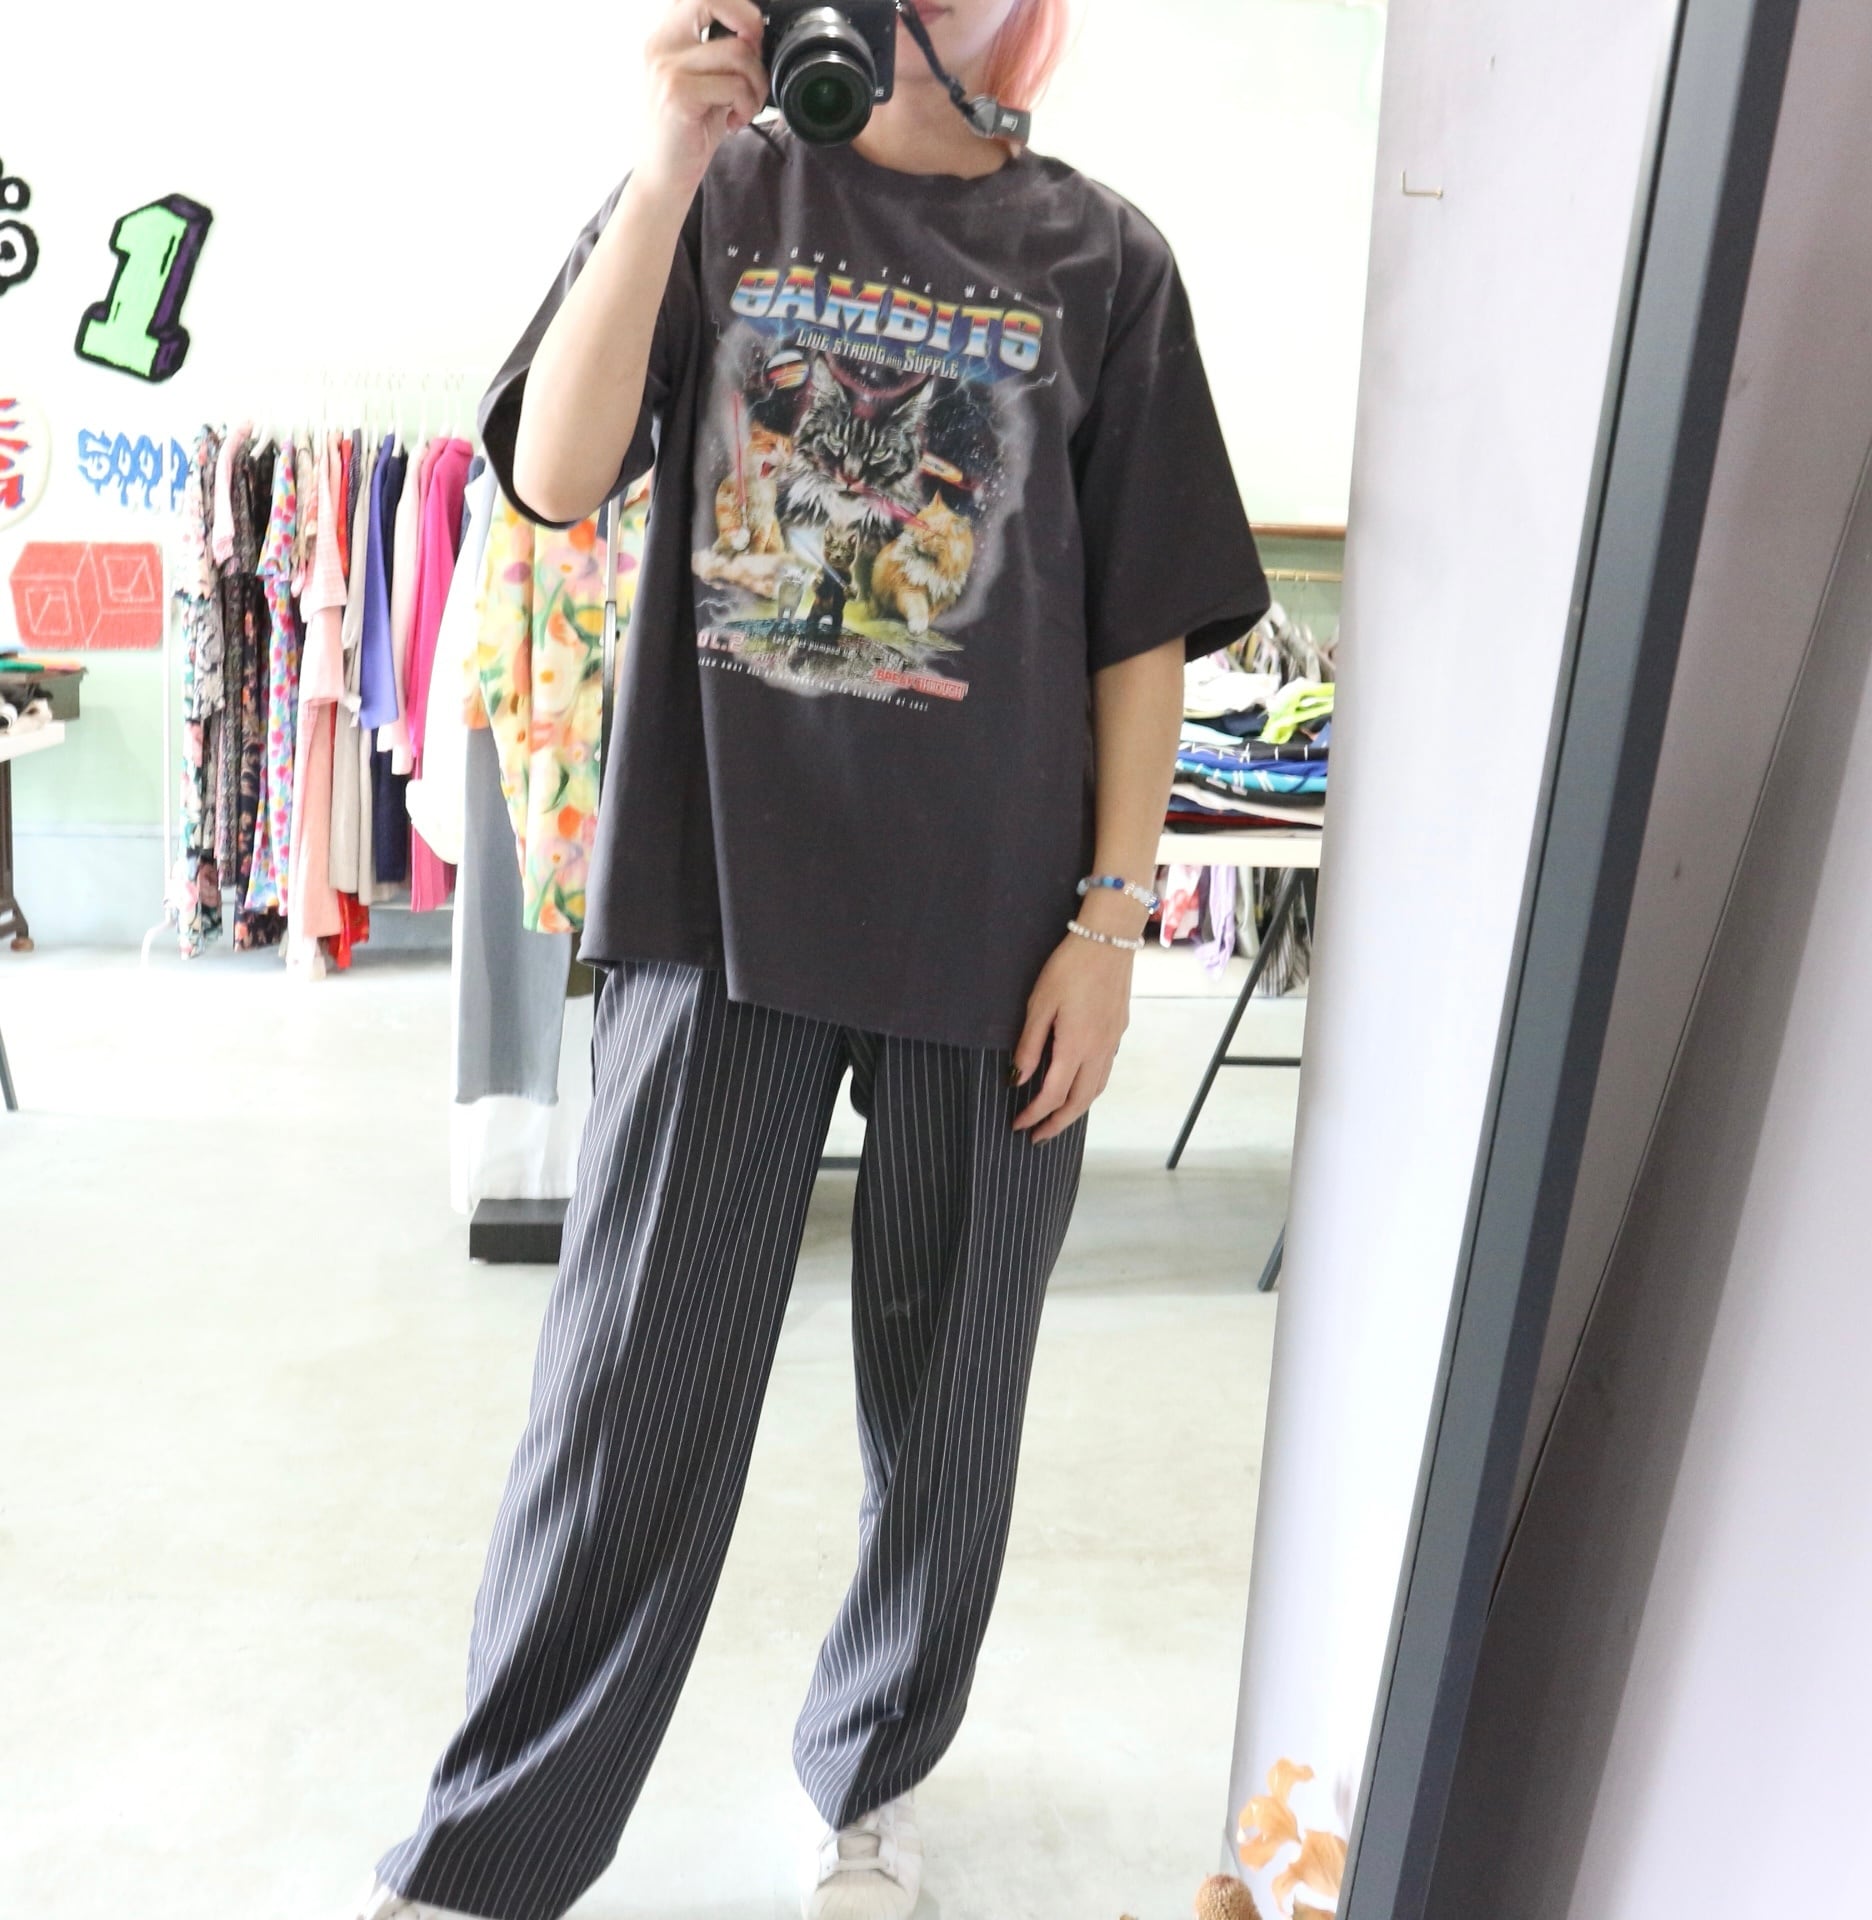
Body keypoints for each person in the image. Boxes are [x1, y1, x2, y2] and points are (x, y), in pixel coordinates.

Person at [348, 2, 1266, 1916]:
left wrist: (1111, 926)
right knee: (625, 1410)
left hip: (998, 940)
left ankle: (869, 1775)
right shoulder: (725, 193)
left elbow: (1137, 636)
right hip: (715, 907)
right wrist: (662, 172)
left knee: (948, 1414)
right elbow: (556, 476)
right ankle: (482, 1861)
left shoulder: (1107, 260)